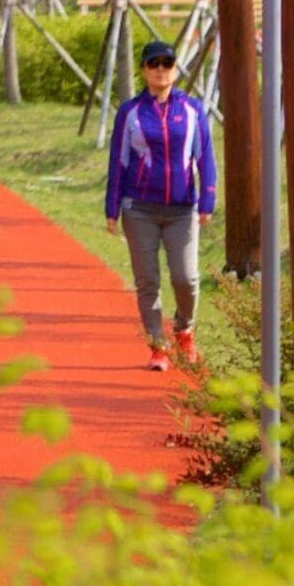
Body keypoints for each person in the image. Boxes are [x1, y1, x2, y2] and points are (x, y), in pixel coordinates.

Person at [102, 39, 214, 372]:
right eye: (154, 64)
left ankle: (184, 329)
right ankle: (157, 346)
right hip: (139, 209)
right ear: (144, 70)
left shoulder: (192, 110)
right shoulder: (131, 112)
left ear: (176, 70)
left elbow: (205, 156)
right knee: (147, 280)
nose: (161, 70)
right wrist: (112, 208)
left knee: (186, 278)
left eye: (167, 64)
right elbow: (118, 161)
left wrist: (207, 198)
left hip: (182, 210)